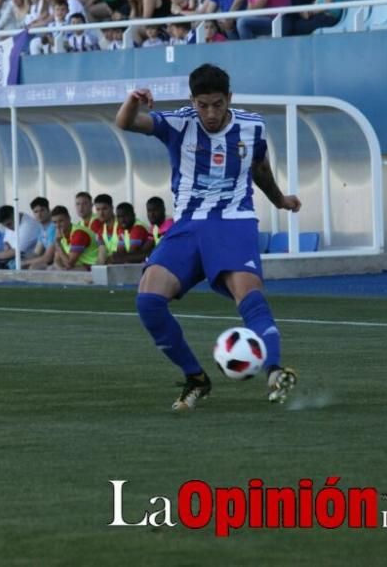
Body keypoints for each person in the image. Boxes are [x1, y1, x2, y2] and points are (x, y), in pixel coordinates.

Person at [114, 63, 301, 411]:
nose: (210, 113)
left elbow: (259, 168)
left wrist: (280, 199)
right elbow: (125, 122)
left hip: (234, 220)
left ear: (229, 98)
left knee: (249, 294)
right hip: (186, 226)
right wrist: (133, 100)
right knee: (148, 301)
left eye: (217, 104)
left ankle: (274, 371)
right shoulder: (178, 123)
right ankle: (196, 378)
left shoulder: (252, 126)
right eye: (203, 105)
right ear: (192, 100)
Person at [51, 204, 100, 271]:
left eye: (61, 221)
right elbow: (56, 260)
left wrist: (58, 243)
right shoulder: (60, 234)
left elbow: (69, 264)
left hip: (92, 267)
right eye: (55, 222)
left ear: (69, 218)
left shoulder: (79, 233)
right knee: (49, 269)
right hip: (76, 266)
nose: (58, 225)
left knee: (69, 273)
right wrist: (61, 270)